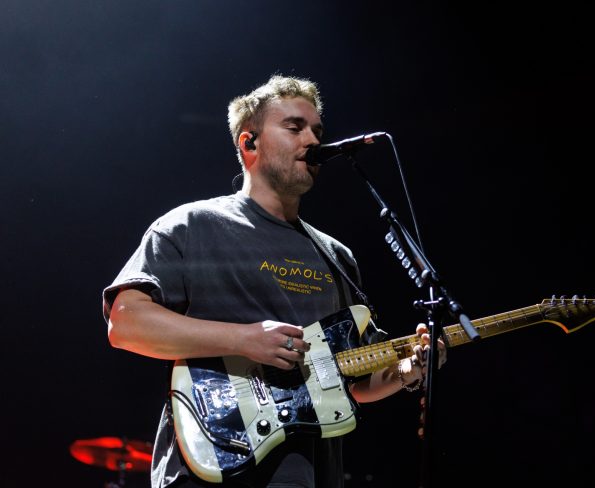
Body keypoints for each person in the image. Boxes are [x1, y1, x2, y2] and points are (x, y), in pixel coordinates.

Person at [102, 74, 446, 488]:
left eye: (317, 131)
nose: (312, 141)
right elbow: (126, 322)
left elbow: (353, 380)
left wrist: (408, 370)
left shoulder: (336, 256)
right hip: (210, 469)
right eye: (294, 127)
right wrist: (244, 339)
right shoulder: (192, 225)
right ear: (249, 144)